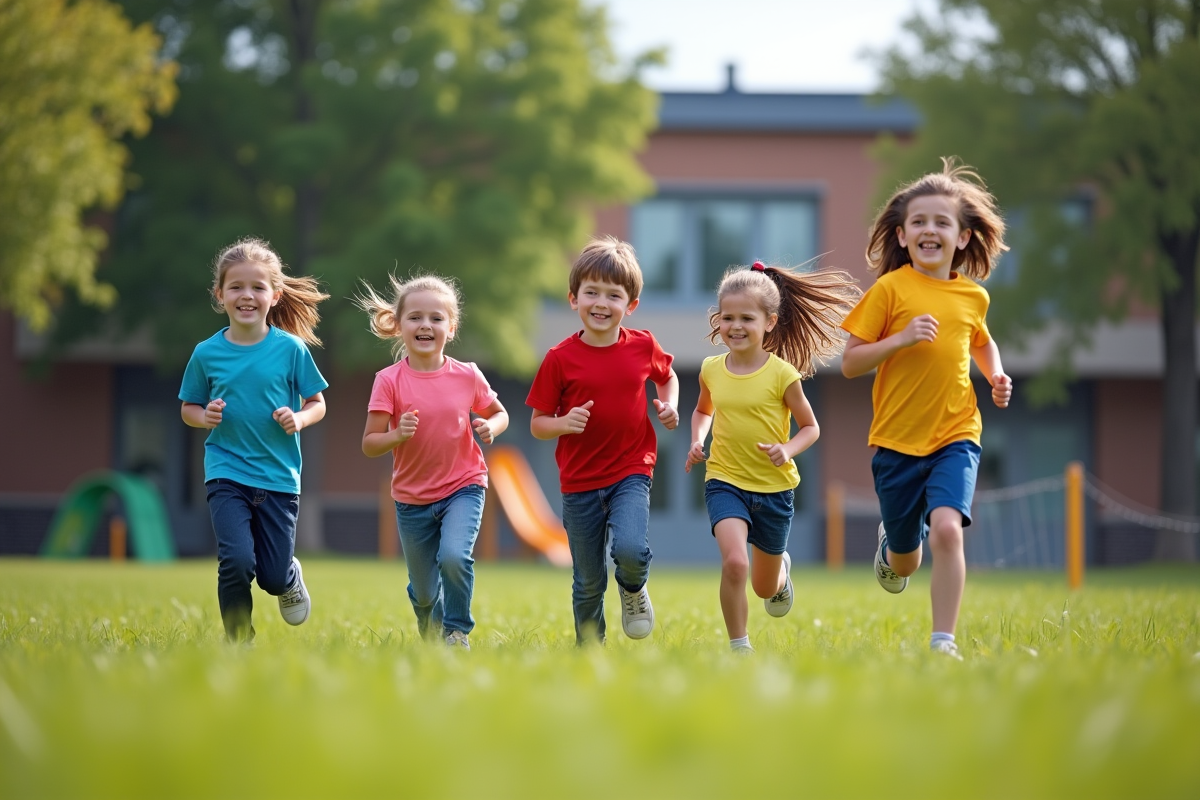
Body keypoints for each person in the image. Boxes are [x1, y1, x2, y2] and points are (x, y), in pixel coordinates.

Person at [841, 157, 1011, 660]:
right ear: (901, 234)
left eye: (942, 222)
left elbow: (981, 342)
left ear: (962, 237)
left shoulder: (972, 296)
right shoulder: (891, 290)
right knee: (907, 561)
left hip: (956, 433)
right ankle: (892, 547)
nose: (929, 229)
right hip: (895, 441)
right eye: (919, 221)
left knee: (945, 528)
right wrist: (900, 339)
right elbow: (851, 363)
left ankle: (943, 641)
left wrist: (995, 374)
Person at [686, 261, 860, 653]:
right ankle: (739, 646)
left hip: (773, 490)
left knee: (764, 587)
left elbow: (811, 427)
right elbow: (702, 411)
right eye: (727, 317)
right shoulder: (711, 370)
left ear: (769, 322)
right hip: (724, 481)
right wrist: (698, 439)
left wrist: (787, 449)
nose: (735, 325)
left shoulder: (783, 375)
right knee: (734, 564)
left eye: (746, 317)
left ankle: (781, 570)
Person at [527, 236, 680, 645]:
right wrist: (564, 423)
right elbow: (538, 424)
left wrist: (669, 406)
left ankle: (633, 589)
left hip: (631, 469)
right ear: (573, 298)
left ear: (629, 305)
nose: (600, 302)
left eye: (613, 295)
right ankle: (590, 647)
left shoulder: (643, 345)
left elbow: (668, 377)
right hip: (578, 482)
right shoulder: (559, 359)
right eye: (591, 292)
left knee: (630, 550)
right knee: (588, 581)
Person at [180, 237, 329, 643]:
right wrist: (204, 416)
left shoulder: (291, 349)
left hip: (279, 477)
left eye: (258, 287)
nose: (247, 295)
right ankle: (238, 639)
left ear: (274, 294)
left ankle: (289, 577)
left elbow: (318, 403)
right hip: (226, 470)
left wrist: (299, 417)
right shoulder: (206, 353)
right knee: (235, 560)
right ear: (220, 294)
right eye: (236, 287)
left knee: (272, 576)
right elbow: (188, 408)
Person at [359, 274, 508, 650]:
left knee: (455, 557)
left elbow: (500, 413)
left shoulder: (467, 374)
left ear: (451, 327)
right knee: (425, 592)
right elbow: (370, 444)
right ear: (399, 325)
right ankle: (431, 620)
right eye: (416, 317)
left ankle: (457, 632)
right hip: (411, 499)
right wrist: (396, 435)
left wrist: (490, 426)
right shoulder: (388, 381)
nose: (426, 325)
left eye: (436, 318)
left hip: (464, 485)